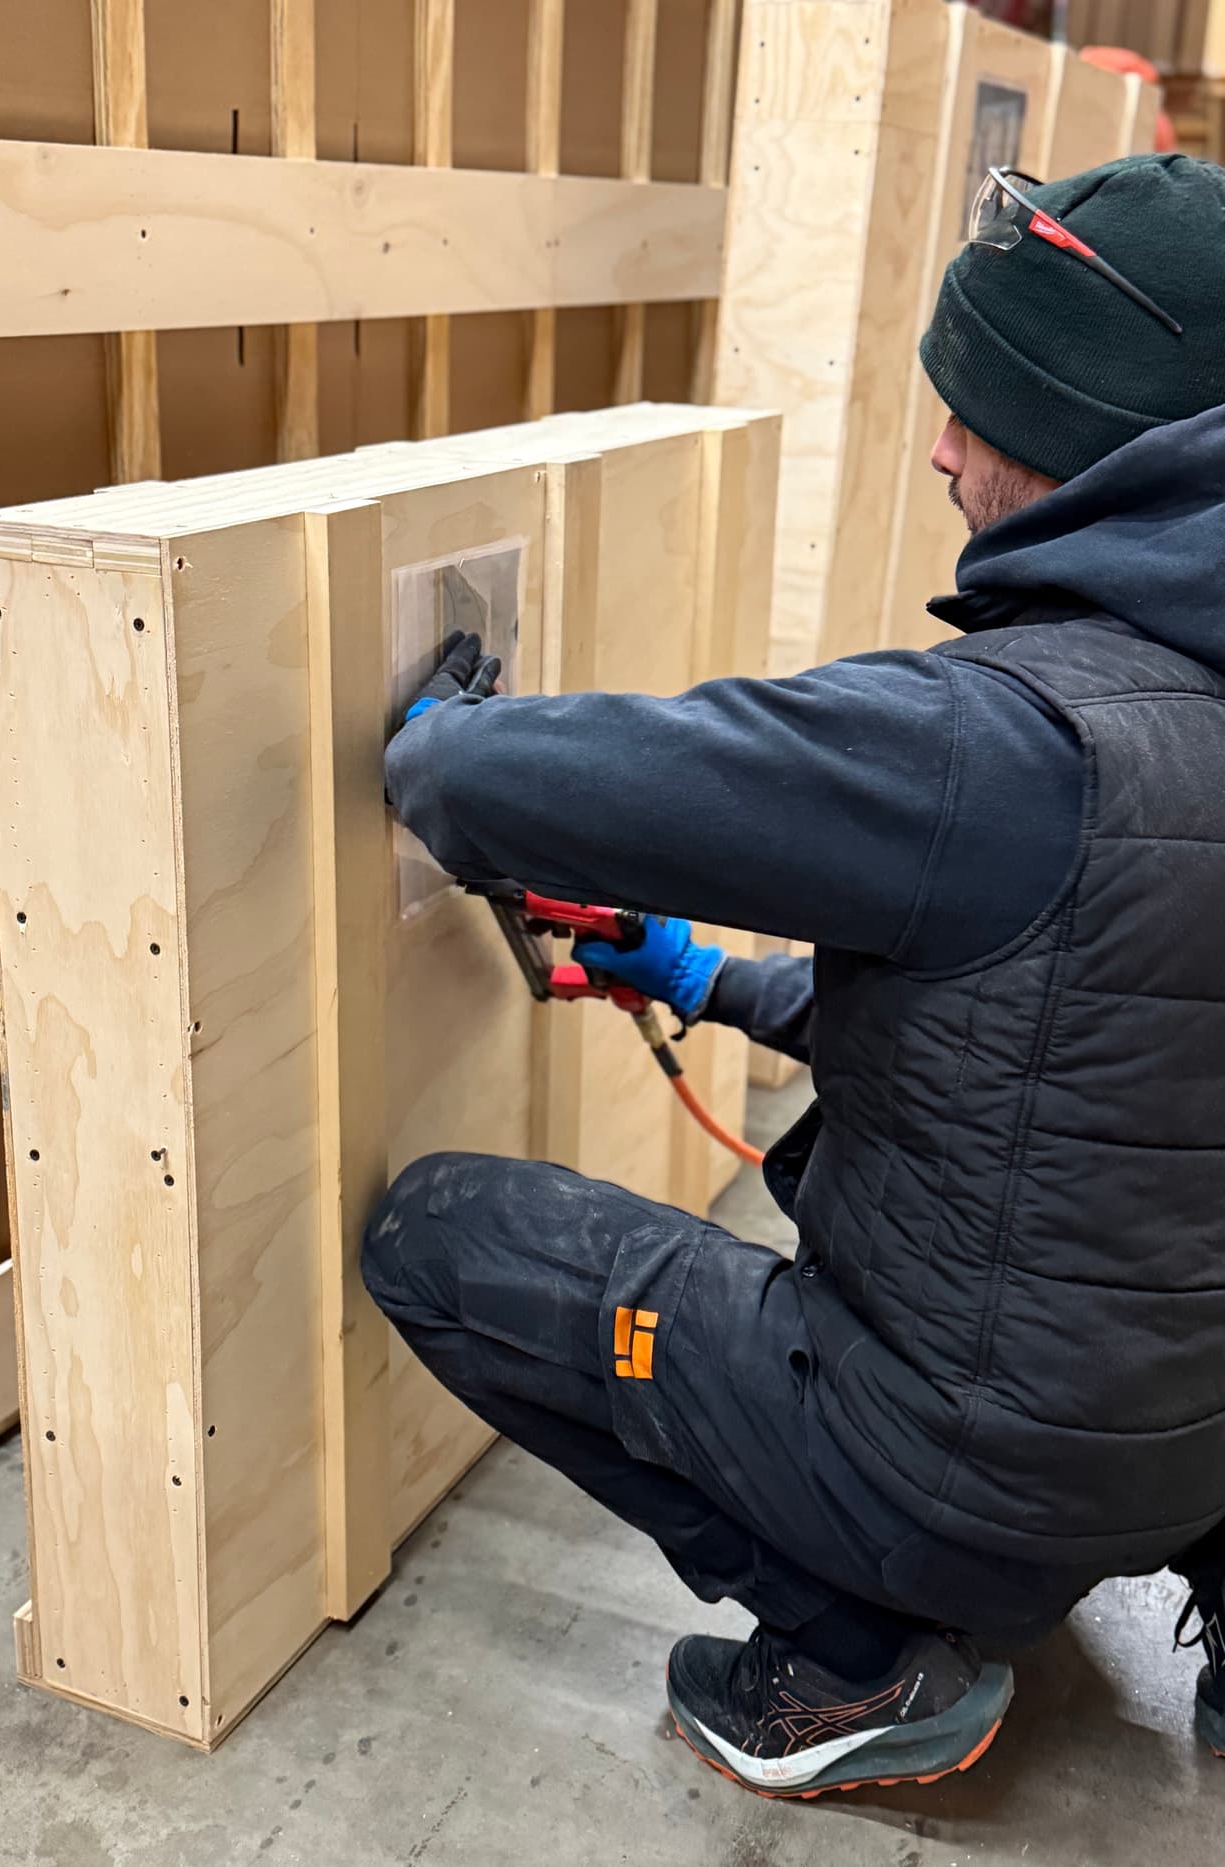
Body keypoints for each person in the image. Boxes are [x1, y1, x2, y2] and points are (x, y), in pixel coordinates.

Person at [362, 155, 1225, 1799]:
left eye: (983, 410)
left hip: (967, 1482)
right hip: (1189, 1451)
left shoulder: (999, 741)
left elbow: (488, 789)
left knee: (441, 1236)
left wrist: (436, 739)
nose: (946, 446)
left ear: (1099, 447)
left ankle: (855, 1654)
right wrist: (702, 973)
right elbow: (1080, 1039)